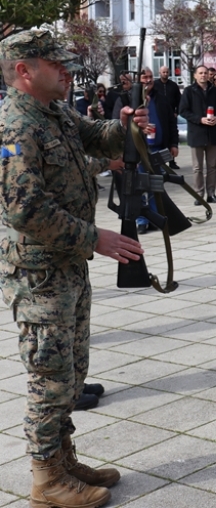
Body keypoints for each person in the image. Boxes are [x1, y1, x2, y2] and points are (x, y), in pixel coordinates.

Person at [0, 29, 150, 508]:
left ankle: (64, 459)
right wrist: (95, 238)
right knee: (49, 375)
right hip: (38, 273)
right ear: (24, 71)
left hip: (66, 269)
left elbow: (94, 136)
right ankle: (45, 479)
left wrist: (122, 123)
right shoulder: (15, 125)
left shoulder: (54, 112)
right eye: (55, 63)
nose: (66, 70)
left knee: (71, 370)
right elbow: (25, 210)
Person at [112, 68, 181, 231]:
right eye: (144, 77)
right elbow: (116, 125)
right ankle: (142, 220)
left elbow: (171, 123)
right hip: (136, 152)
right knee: (138, 187)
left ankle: (157, 217)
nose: (148, 80)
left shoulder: (161, 98)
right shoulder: (126, 99)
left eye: (150, 77)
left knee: (155, 187)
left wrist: (174, 144)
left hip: (157, 150)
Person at [179, 65, 216, 203]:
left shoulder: (215, 91)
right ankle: (199, 194)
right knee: (197, 167)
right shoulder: (189, 91)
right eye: (200, 73)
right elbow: (183, 111)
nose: (203, 75)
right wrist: (200, 119)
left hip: (212, 133)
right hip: (197, 133)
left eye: (205, 73)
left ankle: (211, 194)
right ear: (195, 75)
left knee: (212, 166)